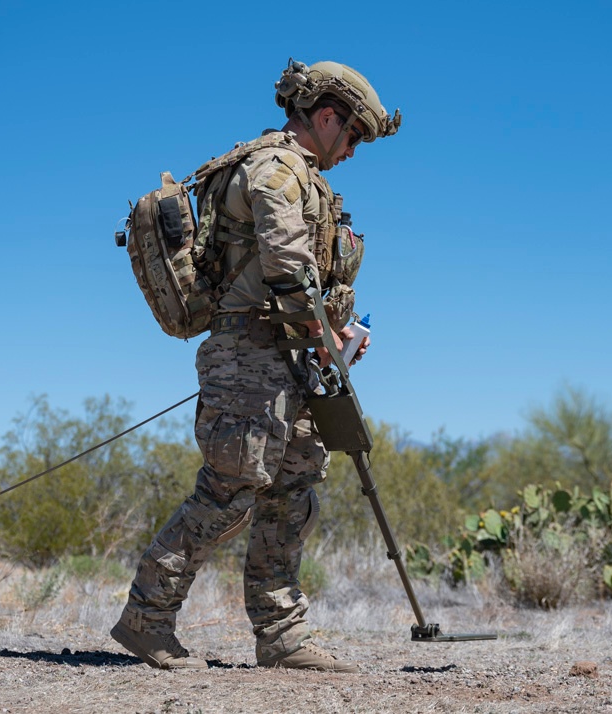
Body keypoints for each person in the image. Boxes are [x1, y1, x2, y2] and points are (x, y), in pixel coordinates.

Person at [111, 59, 401, 673]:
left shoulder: (301, 174)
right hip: (250, 359)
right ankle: (147, 618)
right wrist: (330, 332)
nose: (352, 151)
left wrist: (331, 333)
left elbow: (301, 286)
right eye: (351, 137)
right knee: (229, 490)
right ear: (326, 117)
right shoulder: (276, 170)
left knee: (292, 489)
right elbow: (289, 274)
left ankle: (282, 636)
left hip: (286, 357)